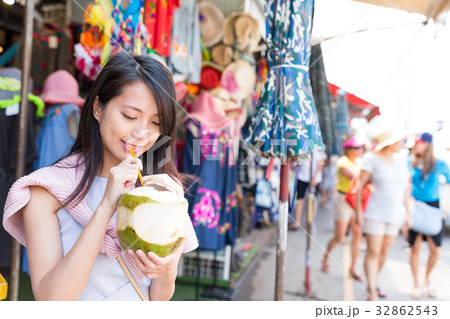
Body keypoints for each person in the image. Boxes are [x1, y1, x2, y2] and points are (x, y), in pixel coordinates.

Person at [3, 53, 198, 301]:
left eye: (156, 123)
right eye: (129, 116)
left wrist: (168, 274)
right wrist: (106, 206)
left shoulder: (161, 191)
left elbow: (157, 298)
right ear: (97, 107)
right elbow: (51, 300)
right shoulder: (47, 190)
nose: (141, 133)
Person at [356, 128, 411, 301]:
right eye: (399, 141)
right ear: (390, 143)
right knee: (373, 251)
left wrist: (408, 214)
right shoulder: (371, 159)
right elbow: (359, 187)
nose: (402, 144)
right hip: (375, 212)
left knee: (384, 253)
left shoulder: (401, 161)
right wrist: (358, 211)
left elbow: (405, 190)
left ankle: (373, 281)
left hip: (395, 214)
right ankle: (372, 290)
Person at [408, 132, 449, 299]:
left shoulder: (439, 164)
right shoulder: (410, 162)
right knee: (415, 248)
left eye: (419, 142)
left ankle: (427, 279)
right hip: (416, 205)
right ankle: (415, 284)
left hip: (433, 207)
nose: (416, 145)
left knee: (436, 250)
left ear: (427, 144)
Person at [322, 136, 365, 281]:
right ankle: (325, 258)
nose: (360, 150)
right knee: (339, 235)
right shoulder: (343, 162)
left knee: (357, 235)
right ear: (349, 149)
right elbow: (354, 177)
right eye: (357, 148)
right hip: (343, 200)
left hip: (357, 201)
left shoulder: (360, 162)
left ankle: (353, 267)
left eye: (361, 148)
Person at [290, 151, 324, 230]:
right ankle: (297, 222)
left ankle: (309, 221)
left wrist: (314, 178)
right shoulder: (302, 149)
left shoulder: (317, 149)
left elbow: (321, 163)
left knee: (312, 200)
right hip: (302, 177)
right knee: (299, 199)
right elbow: (296, 161)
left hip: (314, 179)